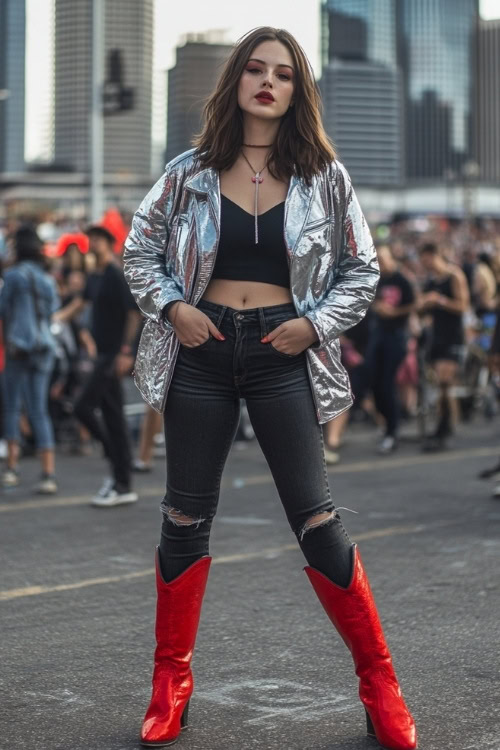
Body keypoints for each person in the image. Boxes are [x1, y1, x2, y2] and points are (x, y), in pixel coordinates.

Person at [124, 27, 416, 750]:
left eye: (283, 74)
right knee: (185, 519)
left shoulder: (326, 175)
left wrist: (315, 325)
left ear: (297, 89)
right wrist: (174, 306)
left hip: (284, 350)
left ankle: (381, 684)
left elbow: (363, 271)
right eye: (255, 69)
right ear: (237, 81)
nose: (268, 82)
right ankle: (171, 684)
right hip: (203, 347)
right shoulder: (189, 171)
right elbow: (139, 250)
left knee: (317, 521)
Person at [57, 226, 142, 505]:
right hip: (101, 354)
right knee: (114, 417)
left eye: (98, 239)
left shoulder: (116, 275)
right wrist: (52, 320)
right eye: (90, 239)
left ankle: (116, 461)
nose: (92, 243)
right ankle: (121, 480)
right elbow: (79, 304)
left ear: (108, 243)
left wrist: (126, 351)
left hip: (112, 355)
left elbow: (133, 314)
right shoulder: (95, 276)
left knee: (82, 406)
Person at [0, 226, 59, 494]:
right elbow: (52, 313)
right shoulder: (47, 279)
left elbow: (3, 311)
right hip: (44, 347)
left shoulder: (12, 276)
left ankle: (12, 469)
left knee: (12, 407)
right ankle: (48, 474)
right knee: (39, 409)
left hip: (19, 348)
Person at [418, 242, 470, 451]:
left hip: (453, 337)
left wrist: (439, 300)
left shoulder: (454, 276)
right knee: (441, 386)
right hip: (436, 338)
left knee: (445, 381)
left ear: (433, 255)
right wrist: (424, 304)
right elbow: (420, 309)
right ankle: (445, 425)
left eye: (425, 259)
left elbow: (463, 305)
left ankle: (445, 427)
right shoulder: (430, 281)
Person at [365, 244, 416, 454]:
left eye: (384, 258)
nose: (382, 262)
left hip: (396, 336)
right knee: (374, 383)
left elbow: (414, 305)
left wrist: (394, 313)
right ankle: (386, 423)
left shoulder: (402, 280)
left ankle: (392, 431)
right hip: (379, 335)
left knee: (387, 384)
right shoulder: (378, 279)